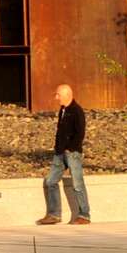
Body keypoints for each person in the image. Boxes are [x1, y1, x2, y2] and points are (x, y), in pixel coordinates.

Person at [38, 83, 92, 226]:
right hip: (60, 153)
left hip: (72, 153)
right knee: (50, 181)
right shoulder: (63, 110)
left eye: (58, 95)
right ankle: (54, 214)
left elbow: (80, 133)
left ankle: (84, 215)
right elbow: (60, 132)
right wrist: (58, 149)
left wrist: (70, 148)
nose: (56, 98)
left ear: (67, 95)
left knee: (77, 184)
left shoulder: (77, 111)